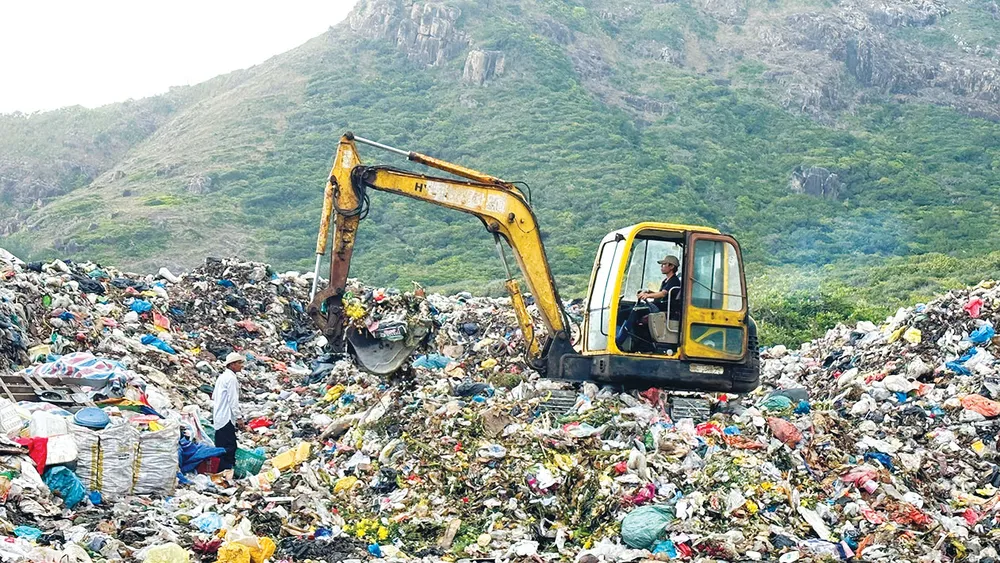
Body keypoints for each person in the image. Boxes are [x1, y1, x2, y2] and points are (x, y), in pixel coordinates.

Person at [213, 352, 244, 472]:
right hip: (226, 417)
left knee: (221, 447)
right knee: (229, 447)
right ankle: (225, 472)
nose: (241, 365)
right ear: (232, 365)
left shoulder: (222, 377)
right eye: (239, 363)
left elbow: (214, 396)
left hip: (219, 416)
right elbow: (233, 400)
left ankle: (220, 472)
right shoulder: (231, 379)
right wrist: (239, 418)